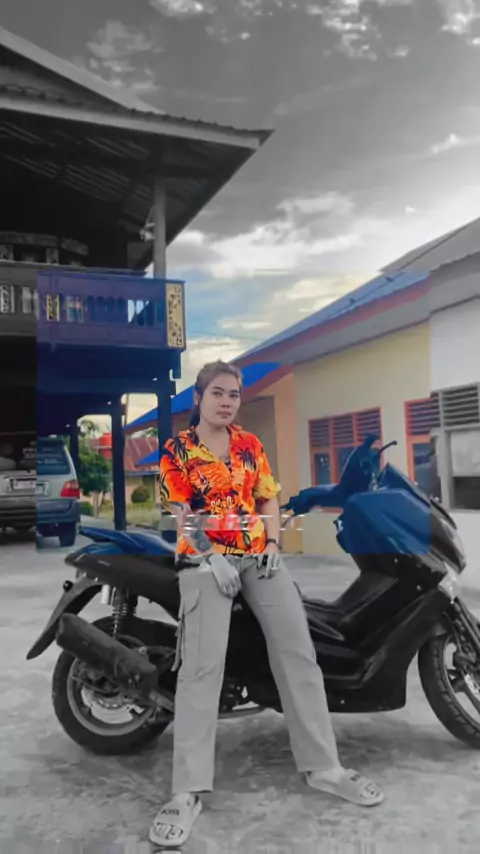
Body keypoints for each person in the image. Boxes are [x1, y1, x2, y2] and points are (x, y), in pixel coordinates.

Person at [149, 360, 384, 848]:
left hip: (258, 557)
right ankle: (186, 792)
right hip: (205, 561)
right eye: (217, 393)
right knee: (201, 669)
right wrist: (210, 558)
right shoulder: (178, 450)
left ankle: (324, 767)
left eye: (233, 394)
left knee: (299, 653)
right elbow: (181, 513)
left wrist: (274, 544)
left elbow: (268, 499)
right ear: (199, 397)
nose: (226, 402)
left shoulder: (249, 445)